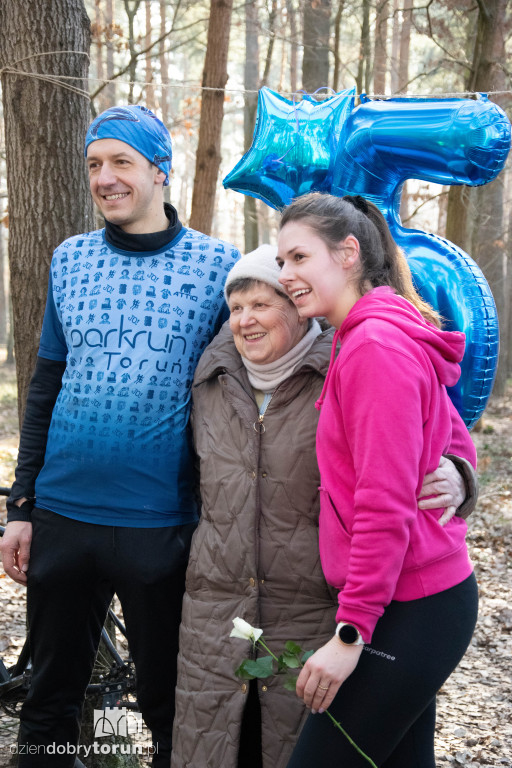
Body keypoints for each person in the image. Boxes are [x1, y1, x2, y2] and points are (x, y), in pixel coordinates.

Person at [170, 244, 477, 768]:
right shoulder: (208, 378)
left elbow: (440, 438)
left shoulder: (352, 361)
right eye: (236, 307)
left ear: (296, 306)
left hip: (316, 611)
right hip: (216, 613)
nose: (245, 320)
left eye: (261, 305)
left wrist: (459, 474)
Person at [0, 104, 240, 768]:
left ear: (160, 171)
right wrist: (21, 508)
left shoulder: (220, 268)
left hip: (160, 526)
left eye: (121, 163)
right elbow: (45, 387)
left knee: (168, 702)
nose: (104, 178)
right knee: (49, 701)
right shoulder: (70, 260)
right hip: (62, 517)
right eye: (94, 164)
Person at [276, 193, 479, 768]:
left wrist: (349, 636)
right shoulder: (373, 330)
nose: (286, 275)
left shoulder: (374, 344)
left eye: (298, 257)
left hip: (410, 606)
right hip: (412, 601)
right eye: (281, 262)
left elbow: (383, 504)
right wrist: (461, 471)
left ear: (347, 253)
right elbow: (447, 430)